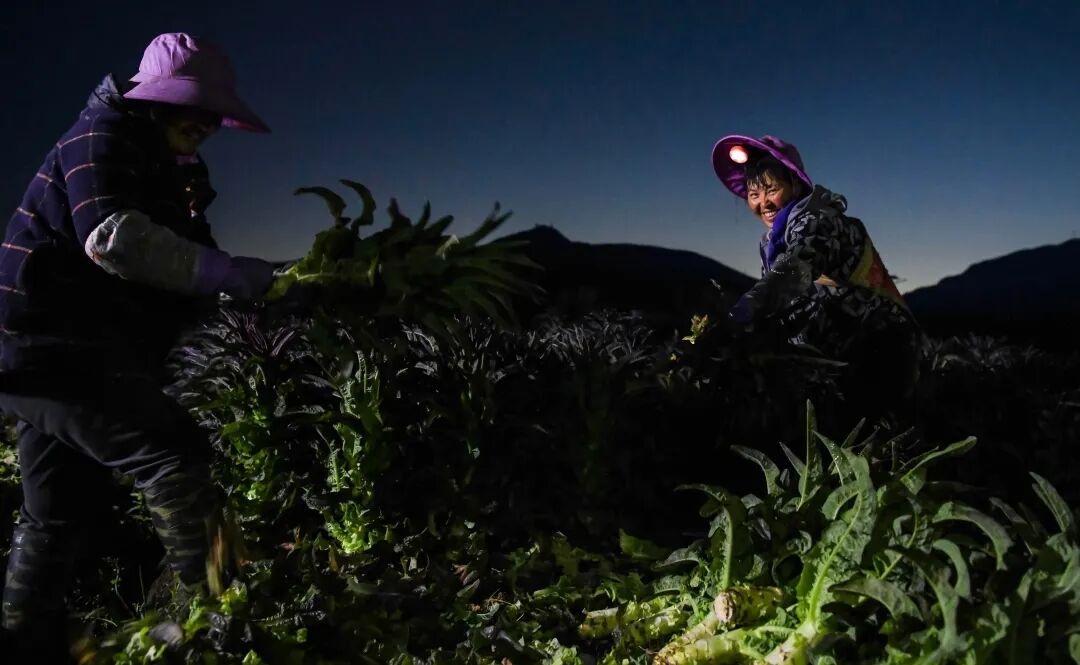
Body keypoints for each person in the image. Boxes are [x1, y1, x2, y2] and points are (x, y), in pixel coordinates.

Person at [0, 33, 282, 659]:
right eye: (193, 108)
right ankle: (225, 628)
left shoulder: (173, 168)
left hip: (51, 351)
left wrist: (251, 286)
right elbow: (116, 240)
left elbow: (190, 260)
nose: (205, 124)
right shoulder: (100, 136)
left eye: (213, 114)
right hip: (45, 345)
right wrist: (231, 273)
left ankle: (23, 645)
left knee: (56, 508)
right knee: (173, 452)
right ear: (155, 101)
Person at [712, 134, 921, 425]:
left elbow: (793, 272)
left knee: (871, 433)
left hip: (880, 350)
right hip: (835, 356)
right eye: (754, 194)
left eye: (772, 189)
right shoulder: (773, 242)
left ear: (796, 185)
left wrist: (738, 316)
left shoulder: (818, 220)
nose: (763, 203)